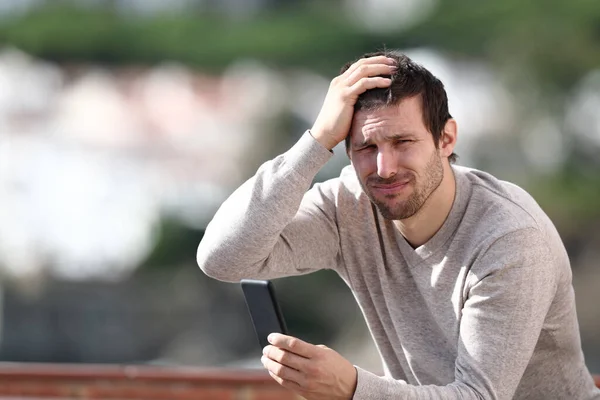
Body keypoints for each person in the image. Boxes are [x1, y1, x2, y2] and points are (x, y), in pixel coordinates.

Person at [197, 51, 600, 399]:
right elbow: (224, 259)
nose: (384, 168)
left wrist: (353, 389)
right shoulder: (348, 206)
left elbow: (478, 396)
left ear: (446, 140)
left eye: (402, 143)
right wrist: (316, 140)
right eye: (366, 148)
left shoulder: (509, 238)